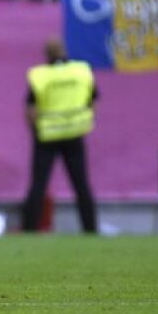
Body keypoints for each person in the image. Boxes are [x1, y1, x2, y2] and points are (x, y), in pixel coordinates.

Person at [22, 39, 98, 234]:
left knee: (38, 185)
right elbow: (93, 101)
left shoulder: (41, 76)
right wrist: (84, 122)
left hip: (47, 136)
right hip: (74, 134)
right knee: (81, 185)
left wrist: (36, 130)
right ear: (65, 50)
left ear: (46, 54)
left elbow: (30, 109)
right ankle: (90, 229)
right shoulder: (81, 71)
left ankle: (29, 229)